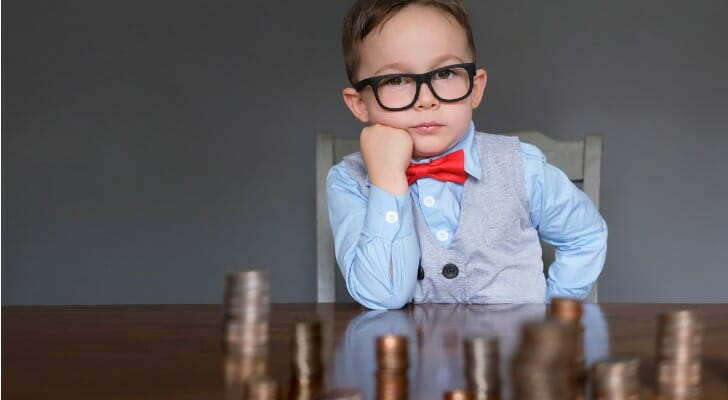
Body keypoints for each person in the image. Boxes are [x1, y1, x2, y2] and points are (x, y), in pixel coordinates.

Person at [327, 0, 607, 310]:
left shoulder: (523, 168)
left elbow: (585, 236)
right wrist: (387, 180)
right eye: (396, 80)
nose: (427, 99)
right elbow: (383, 295)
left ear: (475, 87)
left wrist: (551, 316)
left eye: (445, 73)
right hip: (406, 358)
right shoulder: (349, 181)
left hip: (511, 356)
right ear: (359, 104)